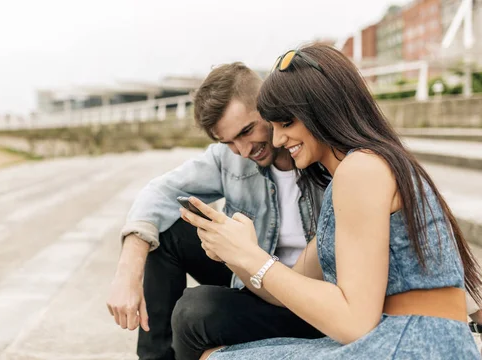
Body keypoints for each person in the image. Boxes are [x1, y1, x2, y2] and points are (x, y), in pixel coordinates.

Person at [180, 44, 482, 359]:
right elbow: (285, 291)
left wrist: (253, 258)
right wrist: (238, 255)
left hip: (416, 343)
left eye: (286, 124)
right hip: (406, 336)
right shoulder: (356, 174)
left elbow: (354, 321)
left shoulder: (361, 169)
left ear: (320, 110)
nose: (279, 139)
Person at [106, 62, 329, 360]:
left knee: (194, 311)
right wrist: (127, 273)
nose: (244, 150)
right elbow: (158, 192)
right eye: (229, 142)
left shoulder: (324, 157)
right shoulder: (230, 158)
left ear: (268, 104)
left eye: (247, 131)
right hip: (253, 281)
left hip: (309, 300)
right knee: (164, 229)